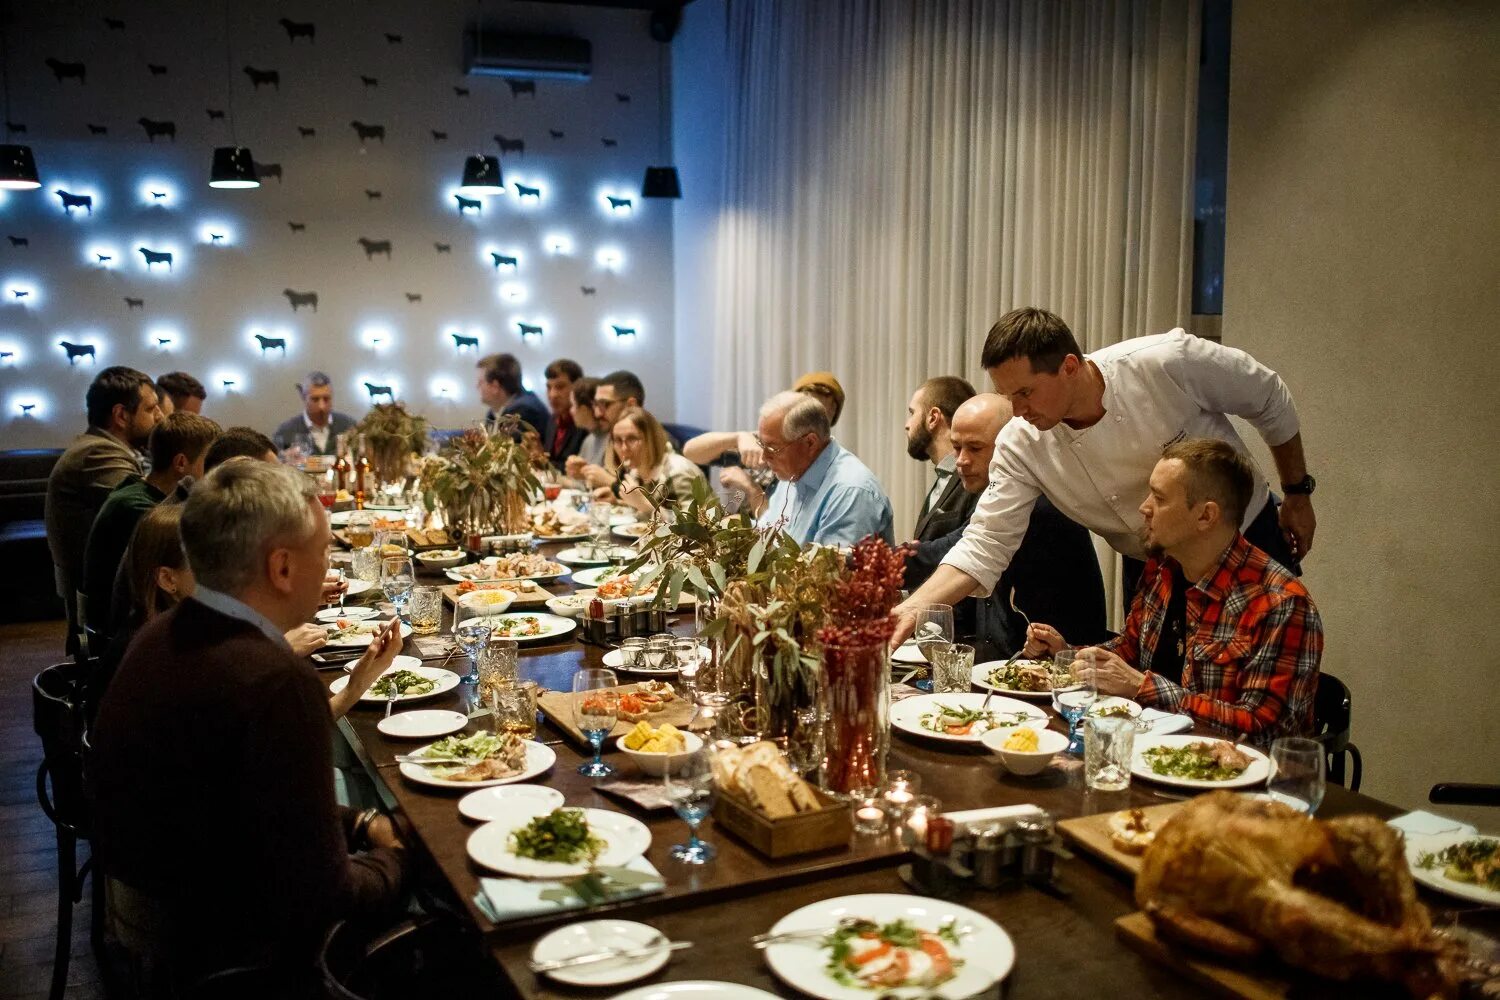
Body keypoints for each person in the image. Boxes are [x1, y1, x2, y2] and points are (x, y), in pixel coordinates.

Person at [90, 460, 410, 988]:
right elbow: (322, 893)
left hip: (159, 910)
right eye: (325, 550)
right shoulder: (275, 680)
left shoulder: (161, 633)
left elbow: (254, 800)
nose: (329, 563)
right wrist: (398, 857)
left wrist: (358, 824)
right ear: (281, 568)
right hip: (236, 950)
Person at [893, 307, 1317, 644]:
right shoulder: (1020, 444)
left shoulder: (1164, 362)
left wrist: (1297, 492)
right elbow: (985, 544)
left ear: (1071, 367)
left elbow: (1269, 399)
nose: (1017, 411)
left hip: (1246, 537)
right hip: (1151, 567)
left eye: (1025, 392)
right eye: (1007, 396)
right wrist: (914, 609)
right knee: (1158, 694)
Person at [1022, 439, 1322, 745]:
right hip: (1155, 756)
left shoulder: (1280, 603)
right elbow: (1129, 652)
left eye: (1160, 498)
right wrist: (1068, 655)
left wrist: (1143, 686)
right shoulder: (1162, 570)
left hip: (1234, 780)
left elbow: (1262, 730)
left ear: (1206, 516)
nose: (1144, 507)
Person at [920, 394, 1108, 659]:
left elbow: (1038, 641)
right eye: (956, 447)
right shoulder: (991, 496)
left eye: (975, 448)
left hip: (1057, 677)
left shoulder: (1038, 507)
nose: (961, 460)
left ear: (1010, 447)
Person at [46, 366, 162, 637]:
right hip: (105, 605)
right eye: (151, 409)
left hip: (105, 591)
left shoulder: (102, 447)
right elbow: (147, 515)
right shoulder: (98, 453)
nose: (161, 417)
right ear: (121, 415)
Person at [81, 411, 220, 638]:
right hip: (122, 637)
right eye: (209, 461)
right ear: (181, 463)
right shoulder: (141, 509)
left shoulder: (140, 488)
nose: (215, 470)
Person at [722, 391, 892, 546]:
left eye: (773, 448)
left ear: (810, 443)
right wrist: (737, 526)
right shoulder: (793, 471)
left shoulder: (851, 492)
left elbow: (827, 575)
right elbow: (770, 533)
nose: (765, 458)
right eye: (762, 445)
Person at [683, 371, 846, 468]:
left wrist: (748, 488)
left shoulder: (830, 464)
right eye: (805, 410)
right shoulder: (764, 442)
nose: (811, 421)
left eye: (820, 414)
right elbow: (691, 452)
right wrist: (738, 437)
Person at [903, 376, 978, 585]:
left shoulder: (977, 480)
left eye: (912, 413)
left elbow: (954, 549)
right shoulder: (942, 478)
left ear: (933, 417)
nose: (907, 425)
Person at [599, 407, 706, 512]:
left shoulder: (678, 472)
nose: (624, 448)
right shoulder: (636, 470)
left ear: (652, 439)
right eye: (617, 440)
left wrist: (643, 504)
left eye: (632, 439)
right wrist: (618, 502)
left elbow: (693, 525)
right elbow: (649, 511)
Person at [566, 370, 646, 488]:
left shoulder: (654, 442)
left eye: (605, 405)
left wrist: (610, 483)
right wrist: (584, 474)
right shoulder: (615, 440)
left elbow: (655, 500)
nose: (597, 414)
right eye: (596, 405)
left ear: (631, 405)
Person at [272, 371, 356, 456]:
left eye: (326, 399)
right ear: (304, 398)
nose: (321, 406)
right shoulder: (285, 432)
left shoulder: (349, 426)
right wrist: (284, 458)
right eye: (315, 399)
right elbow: (273, 465)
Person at [476, 353, 549, 433]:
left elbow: (506, 445)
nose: (477, 386)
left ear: (495, 386)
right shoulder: (493, 413)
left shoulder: (524, 411)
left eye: (480, 382)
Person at [542, 358, 586, 467]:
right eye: (549, 387)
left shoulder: (586, 422)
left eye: (560, 387)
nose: (552, 395)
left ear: (577, 388)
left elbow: (576, 468)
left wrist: (543, 462)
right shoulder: (552, 419)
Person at [569, 377, 609, 469]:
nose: (571, 411)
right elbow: (579, 481)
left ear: (584, 409)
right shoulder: (589, 440)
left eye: (573, 405)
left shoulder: (613, 440)